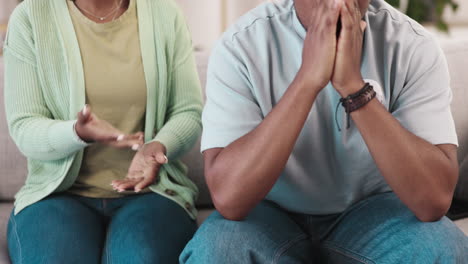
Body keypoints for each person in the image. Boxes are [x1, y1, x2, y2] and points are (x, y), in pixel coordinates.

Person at [180, 0, 468, 262]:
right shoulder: (241, 44)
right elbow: (230, 199)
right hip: (268, 212)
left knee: (443, 249)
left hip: (376, 212)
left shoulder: (412, 44)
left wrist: (353, 88)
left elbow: (434, 200)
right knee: (219, 250)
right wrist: (308, 79)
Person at [4, 0, 202, 263]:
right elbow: (24, 126)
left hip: (151, 194)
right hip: (58, 195)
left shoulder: (165, 13)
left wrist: (159, 147)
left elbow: (188, 110)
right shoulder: (30, 17)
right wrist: (77, 132)